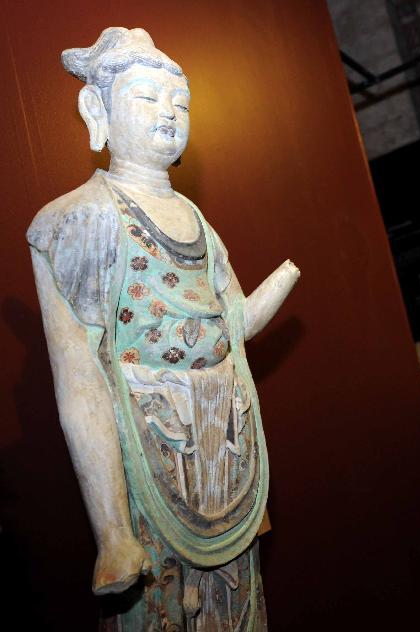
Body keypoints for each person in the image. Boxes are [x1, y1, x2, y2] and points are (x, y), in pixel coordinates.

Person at [27, 27, 300, 629]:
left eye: (180, 103)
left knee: (239, 606)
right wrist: (112, 531)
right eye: (148, 98)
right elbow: (79, 379)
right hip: (149, 450)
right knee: (162, 611)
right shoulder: (77, 220)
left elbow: (235, 324)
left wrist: (283, 279)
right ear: (96, 110)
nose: (169, 114)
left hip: (225, 454)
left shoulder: (196, 219)